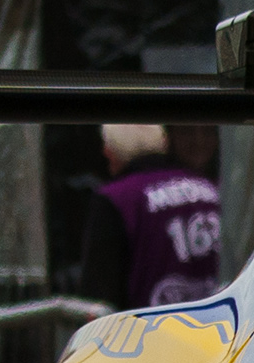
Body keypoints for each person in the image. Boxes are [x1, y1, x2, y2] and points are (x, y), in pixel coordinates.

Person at [74, 123, 224, 310]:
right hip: (220, 321)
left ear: (110, 152)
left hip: (148, 325)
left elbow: (98, 295)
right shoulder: (210, 189)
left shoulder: (117, 198)